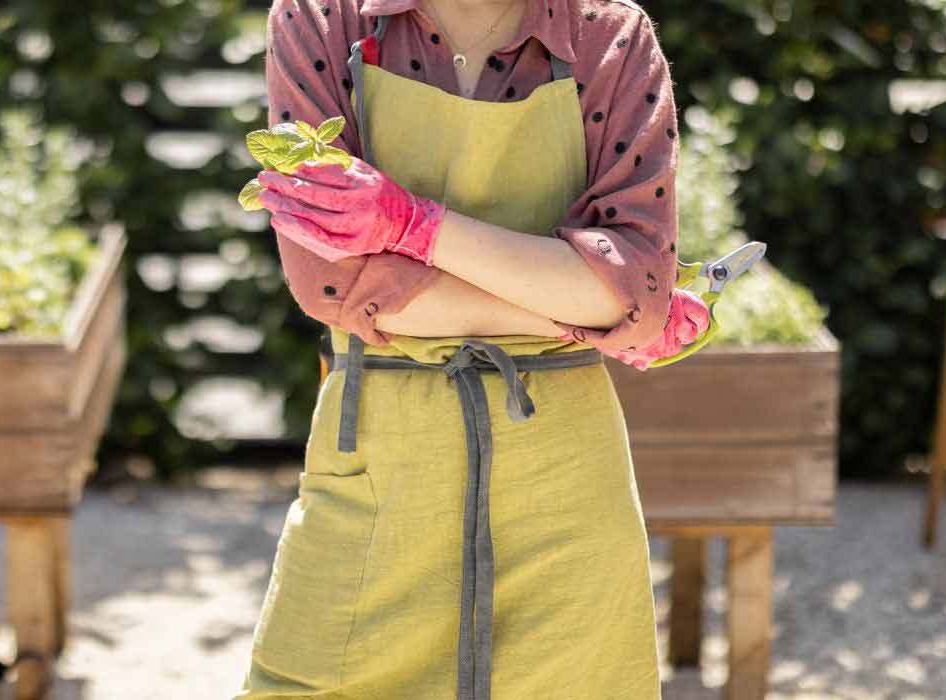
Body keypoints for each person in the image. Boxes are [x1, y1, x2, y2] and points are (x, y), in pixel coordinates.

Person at [235, 1, 682, 698]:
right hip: (379, 471)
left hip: (566, 491)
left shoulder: (610, 38)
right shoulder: (324, 21)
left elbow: (637, 286)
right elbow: (331, 284)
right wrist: (579, 308)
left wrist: (414, 228)